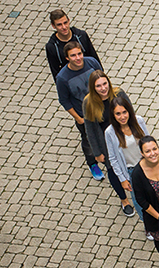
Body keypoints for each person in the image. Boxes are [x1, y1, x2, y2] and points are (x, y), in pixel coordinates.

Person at [83, 72, 135, 216]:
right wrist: (97, 153)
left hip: (126, 139)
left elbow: (131, 114)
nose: (103, 88)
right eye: (98, 86)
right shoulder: (89, 103)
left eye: (105, 84)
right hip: (107, 144)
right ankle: (124, 200)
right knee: (113, 170)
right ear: (93, 88)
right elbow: (90, 130)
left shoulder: (119, 94)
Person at [53, 41, 104, 180]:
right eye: (73, 55)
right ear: (67, 58)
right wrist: (78, 118)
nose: (78, 58)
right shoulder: (63, 78)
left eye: (79, 53)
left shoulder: (92, 62)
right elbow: (64, 100)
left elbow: (102, 79)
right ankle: (92, 163)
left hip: (102, 108)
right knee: (88, 140)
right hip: (84, 115)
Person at [104, 95, 149, 221]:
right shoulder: (110, 132)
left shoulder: (139, 121)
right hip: (131, 171)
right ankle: (147, 225)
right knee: (138, 200)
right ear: (113, 115)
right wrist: (122, 179)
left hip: (146, 165)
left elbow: (148, 141)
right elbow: (113, 158)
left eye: (124, 112)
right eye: (118, 114)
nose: (122, 117)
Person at [45, 9, 101, 80]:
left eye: (65, 23)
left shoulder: (81, 36)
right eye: (59, 25)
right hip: (71, 81)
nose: (64, 27)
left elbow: (94, 58)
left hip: (90, 77)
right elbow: (55, 71)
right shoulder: (52, 47)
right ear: (53, 26)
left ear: (69, 21)